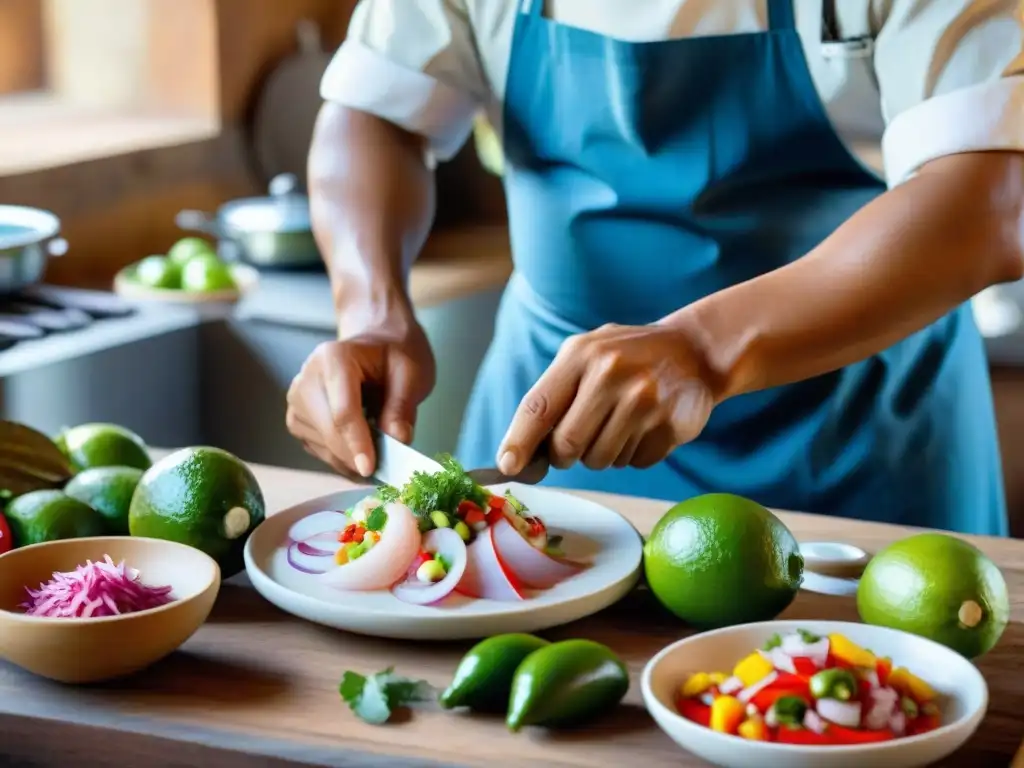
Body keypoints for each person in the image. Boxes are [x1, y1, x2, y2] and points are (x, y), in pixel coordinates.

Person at [286, 0, 1024, 536]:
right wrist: (373, 308)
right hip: (553, 441)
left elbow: (991, 196)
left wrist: (704, 351)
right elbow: (375, 109)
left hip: (859, 450)